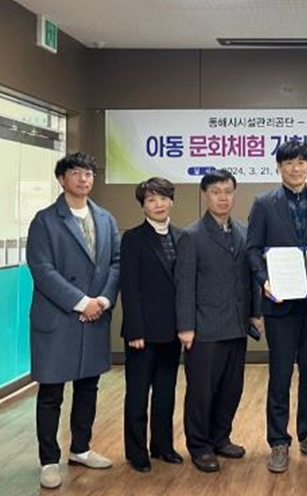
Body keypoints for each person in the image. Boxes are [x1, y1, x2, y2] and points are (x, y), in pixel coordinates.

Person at [27, 152, 121, 490]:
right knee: (51, 392)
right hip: (59, 316)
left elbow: (116, 262)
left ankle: (80, 448)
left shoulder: (105, 218)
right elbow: (42, 270)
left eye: (89, 174)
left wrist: (103, 301)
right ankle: (49, 460)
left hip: (94, 316)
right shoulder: (45, 220)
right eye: (76, 173)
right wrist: (82, 302)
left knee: (88, 387)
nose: (83, 179)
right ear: (62, 179)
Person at [246, 139, 307, 473]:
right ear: (279, 167)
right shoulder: (263, 203)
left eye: (301, 162)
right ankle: (278, 441)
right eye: (289, 163)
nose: (295, 168)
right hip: (279, 303)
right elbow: (253, 249)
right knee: (280, 375)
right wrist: (264, 281)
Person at [175, 169, 262, 473]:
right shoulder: (191, 235)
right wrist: (186, 327)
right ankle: (200, 446)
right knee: (201, 392)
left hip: (237, 325)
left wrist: (255, 313)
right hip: (204, 328)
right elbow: (184, 285)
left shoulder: (244, 231)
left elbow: (251, 278)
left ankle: (220, 438)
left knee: (231, 388)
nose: (223, 198)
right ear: (205, 195)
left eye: (228, 191)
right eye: (216, 192)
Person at [120, 177, 183, 473]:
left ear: (171, 201)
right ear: (143, 205)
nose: (158, 204)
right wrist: (135, 330)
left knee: (165, 393)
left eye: (163, 198)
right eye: (151, 200)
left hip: (172, 331)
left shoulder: (182, 236)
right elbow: (129, 287)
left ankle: (162, 446)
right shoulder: (133, 238)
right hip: (142, 333)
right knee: (137, 395)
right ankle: (137, 452)